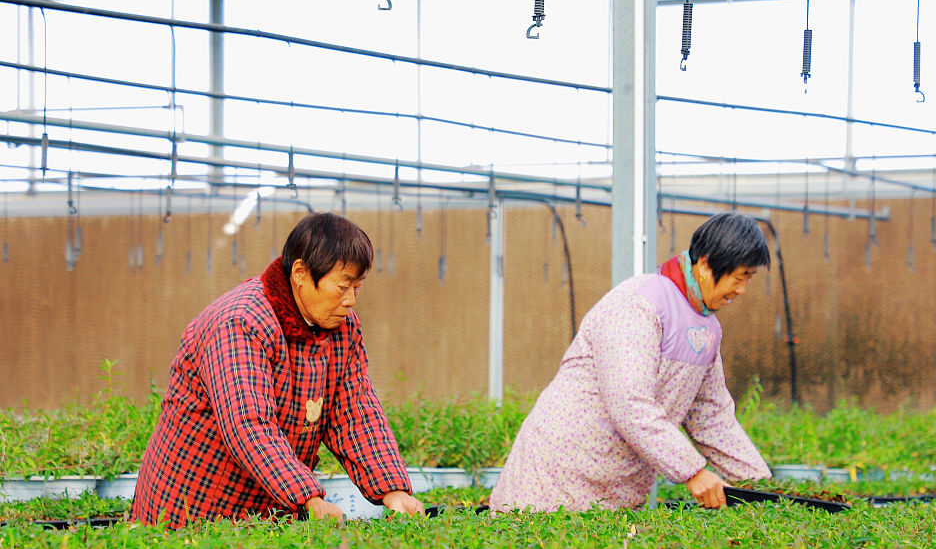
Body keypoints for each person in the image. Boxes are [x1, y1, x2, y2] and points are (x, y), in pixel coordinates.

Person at [132, 212, 423, 527]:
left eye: (357, 287)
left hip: (269, 509)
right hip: (193, 506)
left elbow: (355, 411)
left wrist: (392, 490)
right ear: (300, 273)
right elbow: (248, 424)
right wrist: (308, 498)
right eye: (342, 287)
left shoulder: (342, 327)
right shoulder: (240, 323)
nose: (351, 300)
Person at [490, 210, 773, 513]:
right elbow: (629, 403)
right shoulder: (638, 304)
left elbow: (710, 416)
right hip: (558, 472)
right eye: (740, 277)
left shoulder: (707, 328)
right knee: (544, 540)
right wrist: (693, 472)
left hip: (615, 487)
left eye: (749, 279)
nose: (742, 290)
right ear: (705, 264)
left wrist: (761, 487)